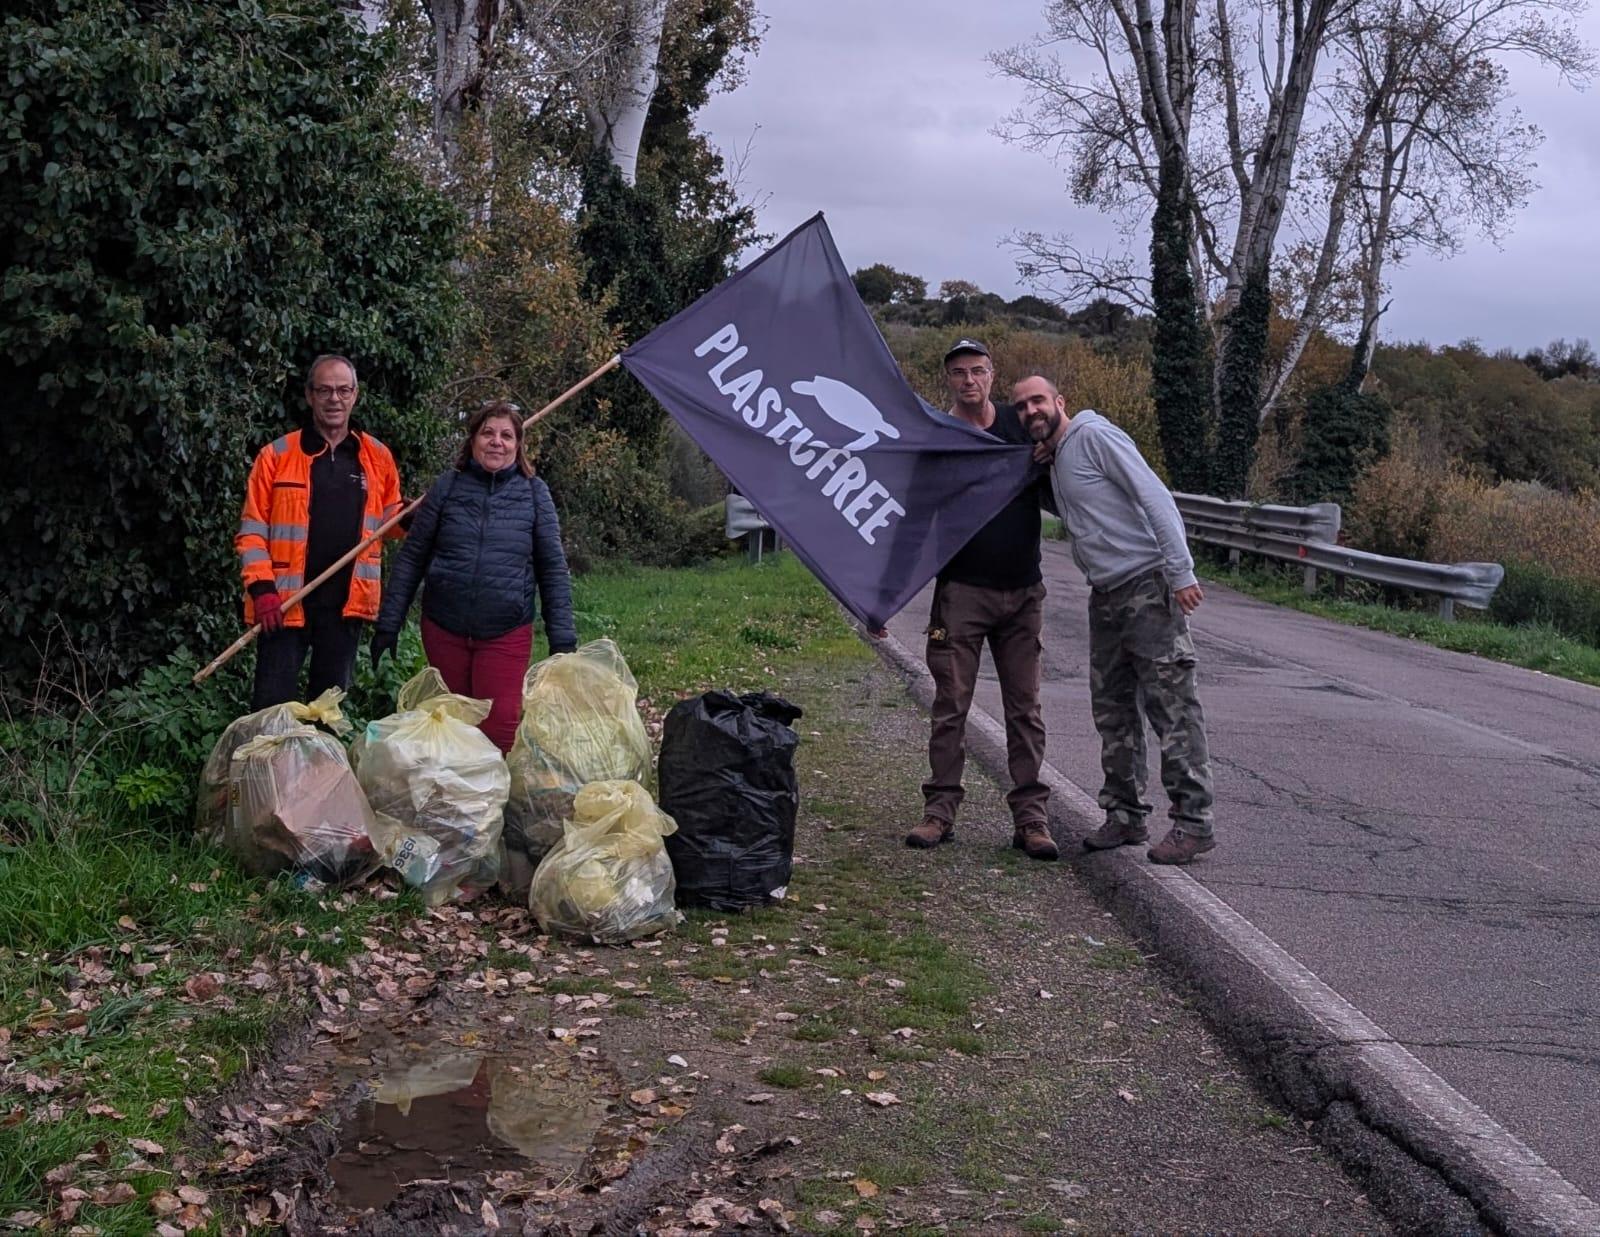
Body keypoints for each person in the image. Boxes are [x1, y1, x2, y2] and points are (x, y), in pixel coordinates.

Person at [1012, 374, 1216, 865]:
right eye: (1020, 407)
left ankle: (1194, 823)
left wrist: (1180, 570)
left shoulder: (1095, 437)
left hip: (1148, 586)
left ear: (1059, 402)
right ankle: (1125, 816)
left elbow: (1154, 496)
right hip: (1104, 594)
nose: (1030, 411)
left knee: (1172, 708)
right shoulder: (1057, 460)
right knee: (1113, 710)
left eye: (1037, 401)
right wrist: (1042, 470)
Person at [904, 339, 1057, 861]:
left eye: (978, 371)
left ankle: (1031, 820)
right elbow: (914, 517)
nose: (969, 381)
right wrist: (883, 596)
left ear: (993, 375)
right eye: (959, 373)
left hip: (1022, 592)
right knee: (950, 706)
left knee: (1026, 709)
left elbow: (1063, 450)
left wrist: (1048, 455)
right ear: (948, 380)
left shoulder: (1020, 425)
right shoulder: (939, 436)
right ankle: (939, 813)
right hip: (961, 593)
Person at [371, 401, 577, 753]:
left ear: (518, 445)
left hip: (506, 631)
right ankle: (458, 800)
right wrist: (389, 622)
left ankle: (490, 804)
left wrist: (562, 640)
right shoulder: (447, 488)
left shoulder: (533, 493)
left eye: (507, 435)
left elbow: (552, 569)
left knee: (499, 727)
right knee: (453, 725)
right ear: (473, 441)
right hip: (444, 627)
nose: (497, 442)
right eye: (488, 433)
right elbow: (412, 557)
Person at [237, 355, 404, 710]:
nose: (334, 399)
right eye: (325, 390)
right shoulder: (276, 455)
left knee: (326, 715)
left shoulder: (376, 457)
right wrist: (263, 590)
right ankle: (265, 767)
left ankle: (320, 768)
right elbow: (251, 531)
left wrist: (411, 517)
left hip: (345, 607)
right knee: (270, 710)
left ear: (355, 395)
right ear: (310, 396)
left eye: (343, 390)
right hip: (284, 605)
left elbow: (387, 522)